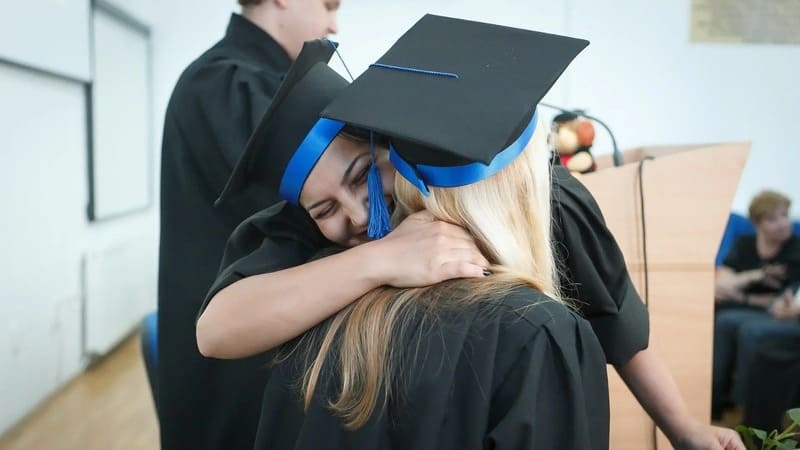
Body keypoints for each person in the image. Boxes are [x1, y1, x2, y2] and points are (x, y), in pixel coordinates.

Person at [198, 17, 744, 450]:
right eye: (324, 208)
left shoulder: (539, 196)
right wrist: (380, 259)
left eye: (362, 176)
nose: (357, 216)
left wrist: (682, 427)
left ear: (387, 140)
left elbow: (615, 317)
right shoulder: (306, 225)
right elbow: (217, 330)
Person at [157, 1, 341, 448]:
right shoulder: (223, 82)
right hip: (233, 370)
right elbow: (316, 194)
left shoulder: (254, 82)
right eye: (329, 4)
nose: (335, 23)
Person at [712, 190, 800, 419]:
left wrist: (740, 291)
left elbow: (783, 299)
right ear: (757, 223)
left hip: (776, 313)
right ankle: (715, 400)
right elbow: (721, 284)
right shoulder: (745, 244)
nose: (782, 224)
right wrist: (754, 276)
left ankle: (745, 405)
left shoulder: (796, 247)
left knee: (748, 329)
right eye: (773, 219)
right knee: (722, 321)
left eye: (784, 215)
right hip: (745, 307)